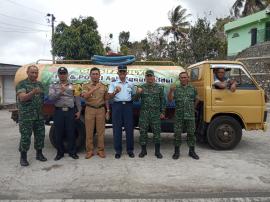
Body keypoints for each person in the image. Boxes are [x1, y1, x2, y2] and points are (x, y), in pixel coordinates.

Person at [16, 65, 47, 166]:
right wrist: (33, 92)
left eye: (36, 72)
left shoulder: (40, 84)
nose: (34, 74)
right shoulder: (22, 84)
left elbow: (43, 99)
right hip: (26, 117)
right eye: (32, 72)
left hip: (38, 115)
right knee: (25, 137)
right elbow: (22, 98)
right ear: (27, 73)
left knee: (40, 135)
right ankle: (23, 157)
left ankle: (39, 154)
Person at [49, 67, 81, 161]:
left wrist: (79, 110)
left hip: (70, 111)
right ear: (58, 75)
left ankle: (72, 152)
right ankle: (60, 153)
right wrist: (60, 91)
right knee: (58, 132)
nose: (62, 75)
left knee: (71, 132)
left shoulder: (73, 85)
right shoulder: (53, 85)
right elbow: (51, 98)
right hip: (58, 111)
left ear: (67, 74)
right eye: (61, 73)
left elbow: (77, 99)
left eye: (64, 73)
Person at [168, 71, 200, 160]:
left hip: (190, 116)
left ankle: (192, 151)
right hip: (179, 115)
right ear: (179, 79)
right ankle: (176, 152)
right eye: (182, 77)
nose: (184, 79)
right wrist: (170, 91)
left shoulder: (193, 88)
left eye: (185, 77)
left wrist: (193, 108)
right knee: (177, 134)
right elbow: (170, 100)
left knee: (191, 134)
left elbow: (197, 98)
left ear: (188, 78)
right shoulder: (176, 89)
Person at [135, 70, 165, 159]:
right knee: (143, 132)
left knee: (157, 133)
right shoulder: (141, 87)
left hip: (156, 114)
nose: (149, 78)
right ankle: (143, 151)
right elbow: (135, 100)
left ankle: (157, 151)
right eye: (148, 76)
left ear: (153, 77)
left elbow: (163, 101)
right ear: (146, 77)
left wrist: (162, 112)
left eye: (151, 76)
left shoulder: (159, 88)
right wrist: (138, 93)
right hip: (144, 114)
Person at [81, 67, 110, 159]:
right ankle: (89, 151)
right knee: (89, 131)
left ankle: (100, 150)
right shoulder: (85, 85)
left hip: (101, 110)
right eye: (93, 74)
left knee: (101, 132)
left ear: (99, 75)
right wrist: (94, 88)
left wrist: (108, 110)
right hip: (90, 109)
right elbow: (85, 96)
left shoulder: (104, 86)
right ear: (90, 75)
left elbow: (106, 99)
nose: (95, 75)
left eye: (96, 74)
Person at [108, 65, 135, 159]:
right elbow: (109, 97)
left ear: (126, 73)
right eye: (121, 72)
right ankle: (118, 151)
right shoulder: (113, 84)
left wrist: (138, 93)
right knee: (117, 129)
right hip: (117, 106)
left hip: (128, 106)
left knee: (129, 129)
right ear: (118, 73)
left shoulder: (131, 84)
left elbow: (134, 96)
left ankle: (130, 150)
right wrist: (115, 92)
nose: (122, 74)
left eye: (124, 72)